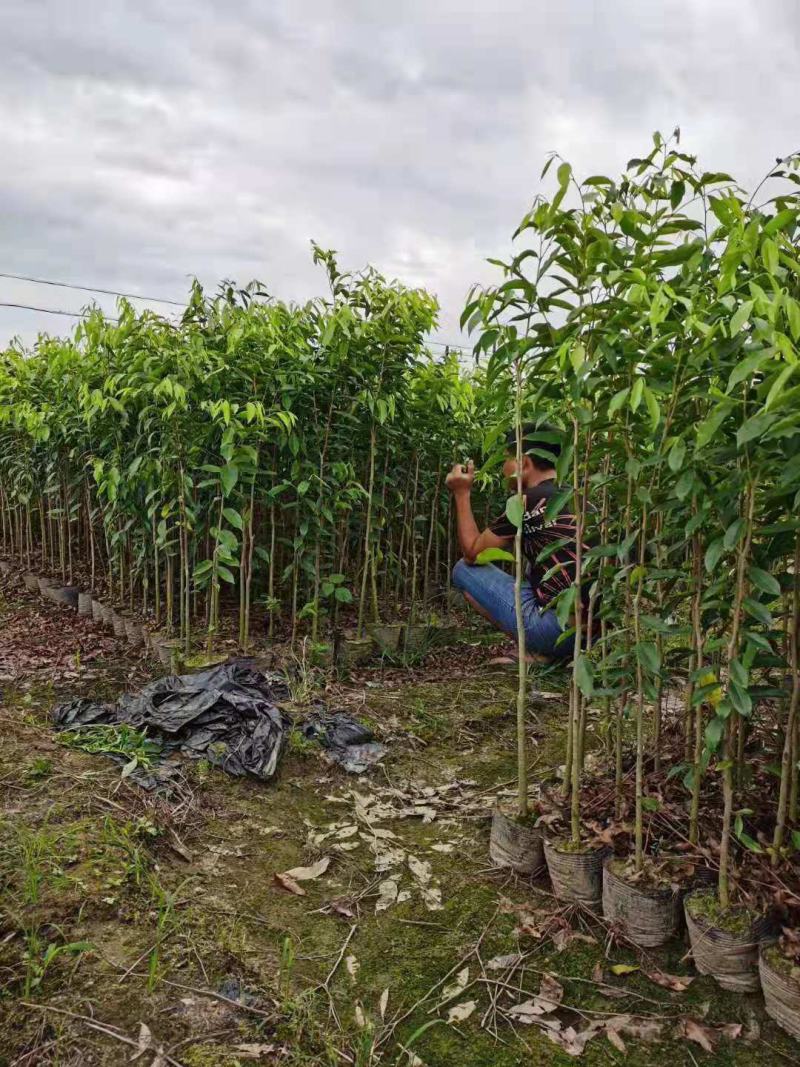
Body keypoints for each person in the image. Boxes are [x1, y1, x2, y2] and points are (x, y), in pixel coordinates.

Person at [446, 423, 592, 661]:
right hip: (596, 631)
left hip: (556, 631)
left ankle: (538, 653)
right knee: (533, 571)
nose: (504, 468)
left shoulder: (526, 502)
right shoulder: (583, 500)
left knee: (464, 570)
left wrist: (461, 493)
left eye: (506, 459)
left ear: (522, 463)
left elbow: (473, 553)